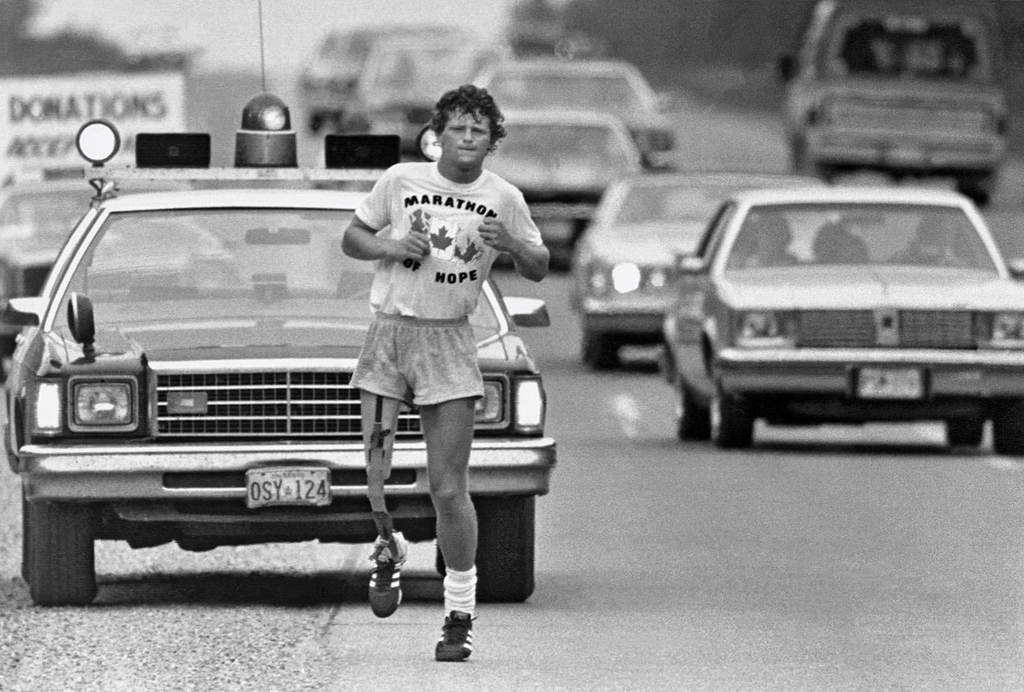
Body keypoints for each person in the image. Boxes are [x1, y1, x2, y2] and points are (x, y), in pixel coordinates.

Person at [341, 84, 549, 662]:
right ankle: (387, 546)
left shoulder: (504, 197)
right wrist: (388, 244)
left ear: (492, 142)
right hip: (389, 334)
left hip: (449, 339)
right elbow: (351, 238)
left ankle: (458, 613)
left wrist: (509, 243)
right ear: (439, 134)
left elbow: (539, 265)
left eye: (478, 130)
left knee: (448, 486)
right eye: (457, 127)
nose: (466, 138)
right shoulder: (401, 180)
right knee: (376, 478)